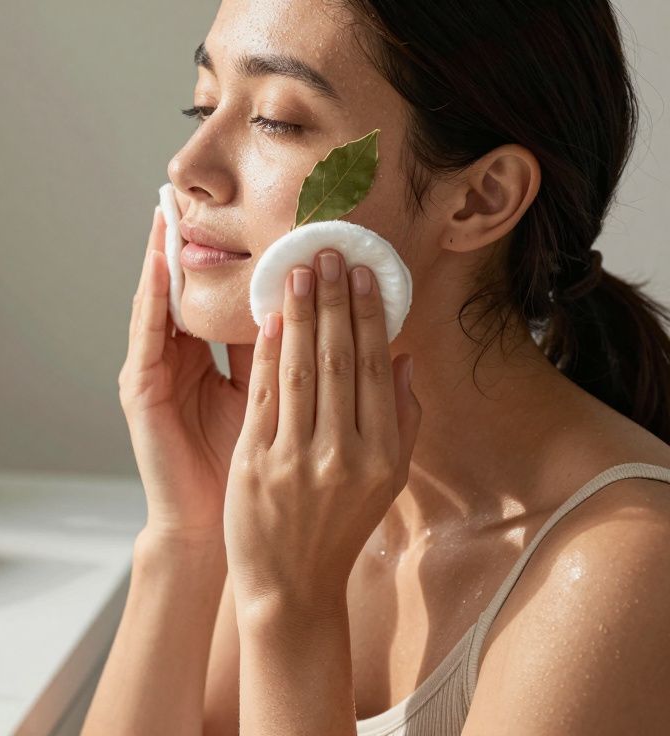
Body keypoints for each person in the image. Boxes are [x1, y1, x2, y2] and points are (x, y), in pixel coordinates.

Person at [84, 0, 670, 733]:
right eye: (202, 104)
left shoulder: (623, 571)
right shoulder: (304, 488)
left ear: (481, 199)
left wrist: (292, 608)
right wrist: (186, 533)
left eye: (278, 121)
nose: (189, 166)